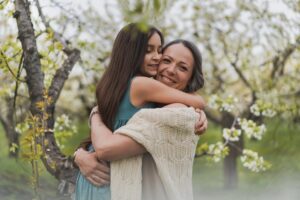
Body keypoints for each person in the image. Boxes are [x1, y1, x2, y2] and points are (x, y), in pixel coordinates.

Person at [75, 22, 206, 200]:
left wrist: (192, 112)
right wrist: (197, 106)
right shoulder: (142, 85)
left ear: (192, 76)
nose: (158, 58)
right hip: (106, 179)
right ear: (131, 53)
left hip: (98, 179)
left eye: (159, 51)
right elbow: (197, 101)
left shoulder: (122, 86)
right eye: (149, 51)